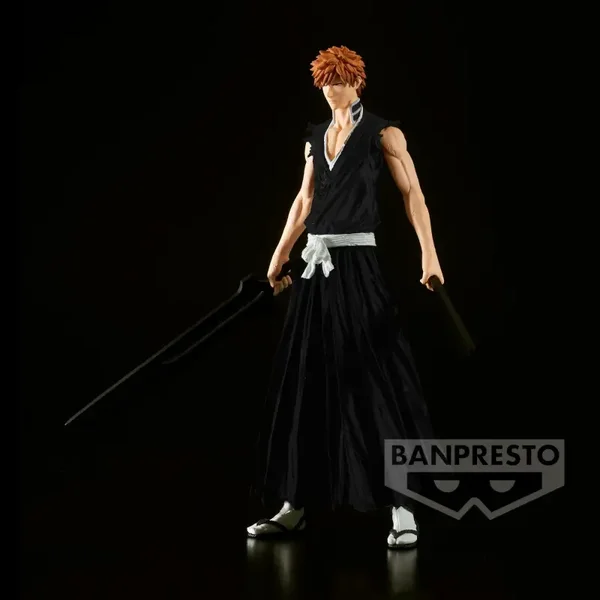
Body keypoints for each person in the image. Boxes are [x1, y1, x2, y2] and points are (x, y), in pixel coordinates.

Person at [247, 45, 444, 549]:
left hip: (358, 266)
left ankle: (403, 505)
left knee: (377, 377)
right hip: (316, 268)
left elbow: (412, 193)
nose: (331, 93)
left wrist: (429, 255)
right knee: (305, 378)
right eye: (324, 86)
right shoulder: (315, 138)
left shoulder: (382, 133)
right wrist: (279, 255)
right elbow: (305, 200)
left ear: (356, 83)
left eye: (338, 84)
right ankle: (293, 504)